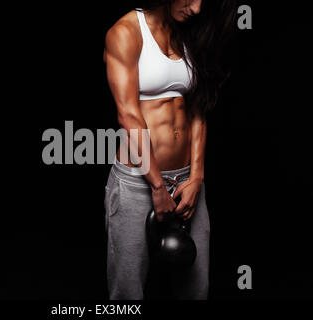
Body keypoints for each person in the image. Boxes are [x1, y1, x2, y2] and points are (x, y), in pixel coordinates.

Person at [103, 0, 236, 300]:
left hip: (187, 183)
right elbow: (128, 114)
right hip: (139, 183)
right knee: (127, 292)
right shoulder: (126, 32)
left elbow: (198, 108)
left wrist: (197, 178)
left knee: (196, 288)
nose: (198, 9)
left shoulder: (188, 34)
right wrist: (157, 186)